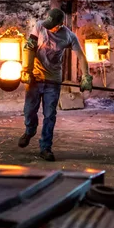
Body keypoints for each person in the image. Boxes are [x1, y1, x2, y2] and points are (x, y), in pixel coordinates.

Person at [18, 8, 93, 161]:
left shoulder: (68, 36)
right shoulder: (40, 26)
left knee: (50, 115)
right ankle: (30, 130)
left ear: (59, 25)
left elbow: (81, 56)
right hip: (35, 77)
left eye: (52, 24)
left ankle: (45, 147)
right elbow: (29, 47)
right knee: (29, 111)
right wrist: (27, 70)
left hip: (53, 80)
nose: (48, 26)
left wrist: (86, 76)